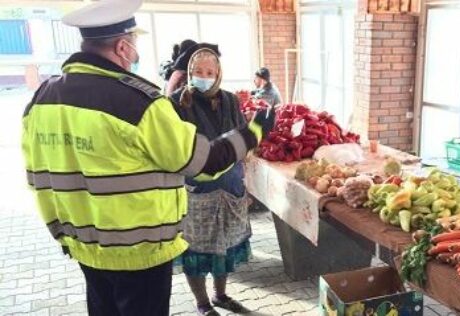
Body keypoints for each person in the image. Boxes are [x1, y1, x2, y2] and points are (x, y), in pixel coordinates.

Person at [20, 0, 275, 315]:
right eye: (135, 43)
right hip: (138, 251)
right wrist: (254, 132)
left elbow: (35, 175)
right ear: (123, 47)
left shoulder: (43, 98)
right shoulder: (138, 101)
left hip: (84, 245)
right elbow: (202, 162)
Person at [171, 48, 251, 316]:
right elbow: (177, 150)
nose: (203, 77)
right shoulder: (176, 103)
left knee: (225, 246)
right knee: (196, 249)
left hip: (230, 188)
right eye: (198, 72)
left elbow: (243, 136)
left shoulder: (230, 100)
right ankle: (202, 303)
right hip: (198, 190)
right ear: (189, 73)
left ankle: (221, 295)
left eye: (209, 72)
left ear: (218, 73)